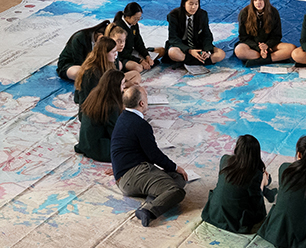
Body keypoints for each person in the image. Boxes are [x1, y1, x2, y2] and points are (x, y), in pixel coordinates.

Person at [110, 85, 188, 226]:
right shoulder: (140, 124)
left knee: (178, 178)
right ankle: (148, 210)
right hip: (134, 174)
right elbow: (154, 155)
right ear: (142, 103)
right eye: (146, 97)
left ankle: (155, 196)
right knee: (177, 191)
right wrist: (176, 167)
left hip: (128, 173)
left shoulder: (123, 117)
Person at [201, 134, 276, 233]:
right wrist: (261, 186)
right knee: (258, 205)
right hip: (235, 222)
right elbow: (257, 204)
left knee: (250, 185)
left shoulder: (225, 159)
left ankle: (265, 183)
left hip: (214, 213)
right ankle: (265, 184)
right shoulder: (254, 174)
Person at [234, 0, 296, 65]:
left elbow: (277, 36)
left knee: (291, 48)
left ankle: (260, 60)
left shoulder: (273, 12)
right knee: (239, 51)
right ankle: (270, 58)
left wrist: (267, 46)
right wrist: (259, 48)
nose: (258, 2)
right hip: (251, 46)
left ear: (266, 0)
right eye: (255, 0)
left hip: (269, 46)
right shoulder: (244, 13)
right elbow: (243, 37)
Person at [165, 0, 226, 66]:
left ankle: (190, 61)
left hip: (198, 46)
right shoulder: (174, 15)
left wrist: (206, 51)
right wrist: (189, 51)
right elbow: (173, 38)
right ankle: (201, 61)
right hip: (182, 47)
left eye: (196, 4)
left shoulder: (202, 14)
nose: (194, 7)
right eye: (191, 4)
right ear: (184, 4)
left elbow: (207, 35)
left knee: (221, 54)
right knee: (172, 52)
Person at [74, 70, 125, 163]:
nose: (124, 87)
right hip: (99, 148)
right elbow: (114, 133)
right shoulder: (111, 104)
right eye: (122, 84)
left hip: (85, 143)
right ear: (115, 86)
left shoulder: (95, 94)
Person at [74, 36, 117, 107]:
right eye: (113, 52)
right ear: (104, 53)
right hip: (90, 108)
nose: (116, 55)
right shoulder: (91, 72)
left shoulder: (108, 64)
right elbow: (93, 98)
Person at [113, 3, 157, 73]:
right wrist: (139, 60)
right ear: (127, 16)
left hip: (132, 52)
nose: (137, 22)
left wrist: (146, 56)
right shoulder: (119, 28)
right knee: (138, 68)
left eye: (139, 19)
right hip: (122, 56)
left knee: (161, 51)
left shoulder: (134, 24)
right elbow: (121, 52)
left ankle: (146, 62)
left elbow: (138, 42)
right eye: (135, 19)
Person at [105, 24, 143, 88]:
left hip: (115, 79)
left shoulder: (116, 53)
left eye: (123, 41)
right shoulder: (107, 54)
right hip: (106, 85)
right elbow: (106, 81)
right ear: (110, 39)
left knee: (136, 75)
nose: (122, 44)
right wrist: (124, 84)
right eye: (118, 41)